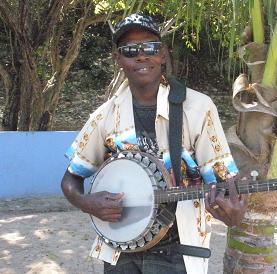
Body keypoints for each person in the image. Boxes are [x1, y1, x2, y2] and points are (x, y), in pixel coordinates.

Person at [61, 13, 245, 274]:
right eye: (130, 50)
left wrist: (233, 213)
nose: (141, 56)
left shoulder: (198, 108)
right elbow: (70, 179)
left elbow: (225, 184)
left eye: (150, 47)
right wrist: (86, 202)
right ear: (119, 60)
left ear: (162, 54)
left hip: (180, 251)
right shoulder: (105, 116)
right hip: (120, 249)